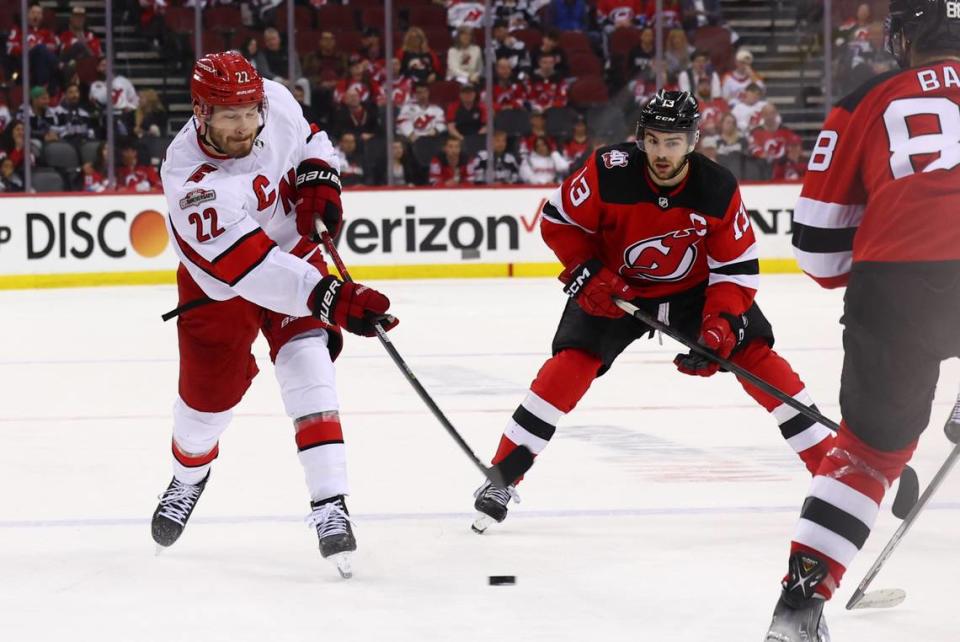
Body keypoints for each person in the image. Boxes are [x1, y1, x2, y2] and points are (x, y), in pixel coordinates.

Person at [471, 90, 836, 534]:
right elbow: (558, 221)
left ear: (693, 141)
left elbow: (736, 269)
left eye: (674, 142)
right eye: (655, 141)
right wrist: (588, 273)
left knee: (755, 357)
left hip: (694, 291)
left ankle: (832, 473)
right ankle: (503, 475)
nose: (663, 153)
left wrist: (720, 324)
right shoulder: (609, 171)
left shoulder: (717, 187)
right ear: (641, 138)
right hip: (615, 288)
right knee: (571, 366)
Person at [151, 51, 398, 579]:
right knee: (203, 413)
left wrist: (319, 181)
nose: (245, 126)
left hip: (294, 258)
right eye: (229, 116)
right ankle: (188, 476)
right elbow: (255, 272)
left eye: (249, 112)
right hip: (222, 286)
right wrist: (333, 296)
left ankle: (330, 503)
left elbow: (312, 140)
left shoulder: (274, 99)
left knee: (310, 370)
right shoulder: (191, 180)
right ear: (201, 114)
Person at [764, 2, 960, 639]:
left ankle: (800, 601)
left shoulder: (866, 100)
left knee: (868, 459)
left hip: (894, 285)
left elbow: (818, 252)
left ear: (907, 38)